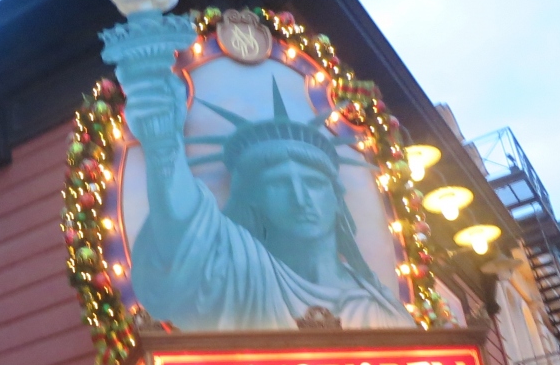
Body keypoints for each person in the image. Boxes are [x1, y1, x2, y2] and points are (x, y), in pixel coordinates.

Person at [125, 72, 413, 331]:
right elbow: (181, 223)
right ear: (253, 201)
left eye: (314, 183)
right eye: (279, 184)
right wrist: (163, 140)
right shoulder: (241, 276)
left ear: (337, 198)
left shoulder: (380, 308)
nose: (300, 198)